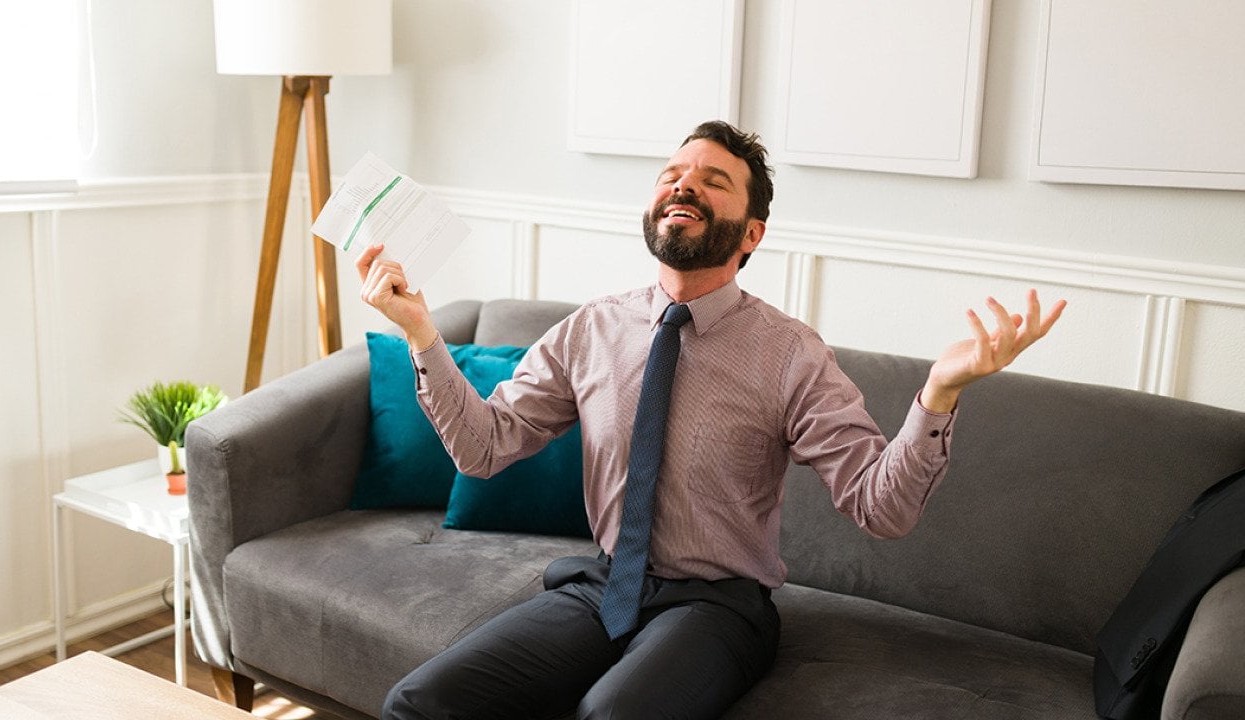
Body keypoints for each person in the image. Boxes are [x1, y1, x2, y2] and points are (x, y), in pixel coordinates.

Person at [356, 120, 1067, 720]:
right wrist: (421, 334)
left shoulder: (790, 355)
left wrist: (939, 391)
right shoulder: (592, 329)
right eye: (672, 173)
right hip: (601, 585)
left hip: (718, 607)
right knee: (419, 703)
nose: (684, 184)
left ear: (750, 232)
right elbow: (484, 448)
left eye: (713, 180)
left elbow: (881, 509)